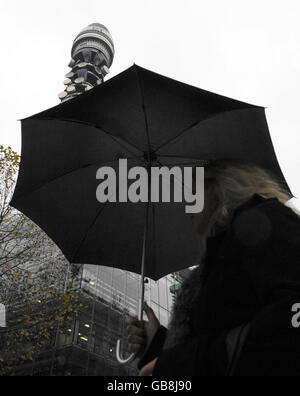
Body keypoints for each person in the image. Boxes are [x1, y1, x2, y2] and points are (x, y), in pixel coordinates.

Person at [125, 159, 300, 376]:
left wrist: (189, 362)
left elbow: (288, 322)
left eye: (191, 192)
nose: (185, 204)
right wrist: (157, 345)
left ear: (217, 189)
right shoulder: (213, 265)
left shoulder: (262, 220)